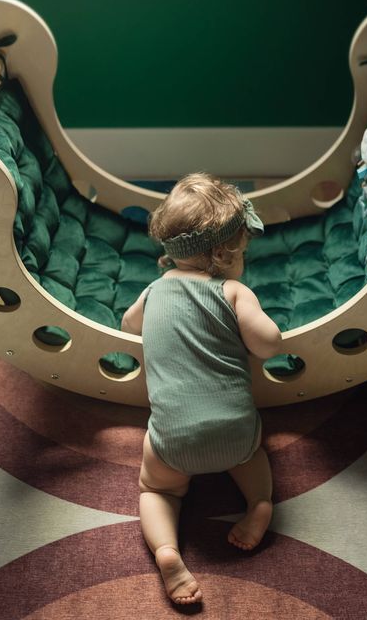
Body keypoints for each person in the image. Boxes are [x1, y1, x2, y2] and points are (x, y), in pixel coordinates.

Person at [122, 172, 282, 605]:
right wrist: (255, 313)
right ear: (224, 255)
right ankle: (260, 503)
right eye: (243, 252)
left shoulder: (153, 291)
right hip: (234, 434)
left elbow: (127, 326)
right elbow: (268, 344)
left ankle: (168, 552)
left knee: (157, 490)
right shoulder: (232, 291)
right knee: (251, 455)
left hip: (174, 440)